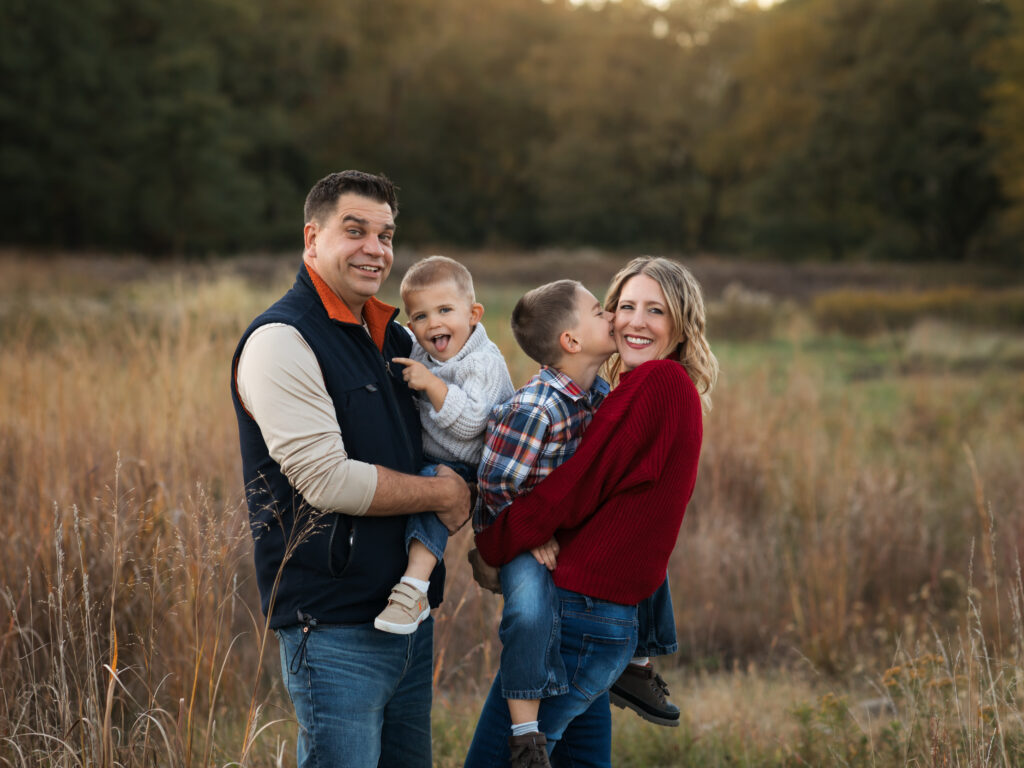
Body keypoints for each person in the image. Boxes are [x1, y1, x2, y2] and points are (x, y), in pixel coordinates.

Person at [230, 170, 471, 768]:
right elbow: (327, 480)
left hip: (406, 618)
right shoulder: (282, 339)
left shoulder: (390, 334)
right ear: (312, 239)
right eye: (355, 230)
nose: (375, 248)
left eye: (386, 235)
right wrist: (441, 496)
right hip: (333, 626)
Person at [465, 257, 718, 768]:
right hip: (598, 617)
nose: (634, 322)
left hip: (581, 619)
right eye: (624, 306)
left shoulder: (658, 385)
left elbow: (574, 489)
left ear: (682, 323)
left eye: (656, 310)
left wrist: (494, 545)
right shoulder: (635, 389)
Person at [469, 279, 618, 767]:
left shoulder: (598, 392)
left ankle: (637, 663)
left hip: (556, 533)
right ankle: (526, 733)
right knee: (529, 613)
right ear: (571, 342)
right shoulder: (536, 408)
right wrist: (532, 534)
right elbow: (494, 484)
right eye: (599, 311)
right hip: (518, 535)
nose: (612, 316)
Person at [373, 255, 514, 634]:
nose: (433, 323)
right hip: (437, 456)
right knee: (418, 485)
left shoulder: (481, 362)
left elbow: (472, 423)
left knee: (433, 491)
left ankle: (414, 587)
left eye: (445, 310)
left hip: (473, 462)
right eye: (420, 317)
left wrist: (433, 386)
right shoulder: (424, 350)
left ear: (474, 314)